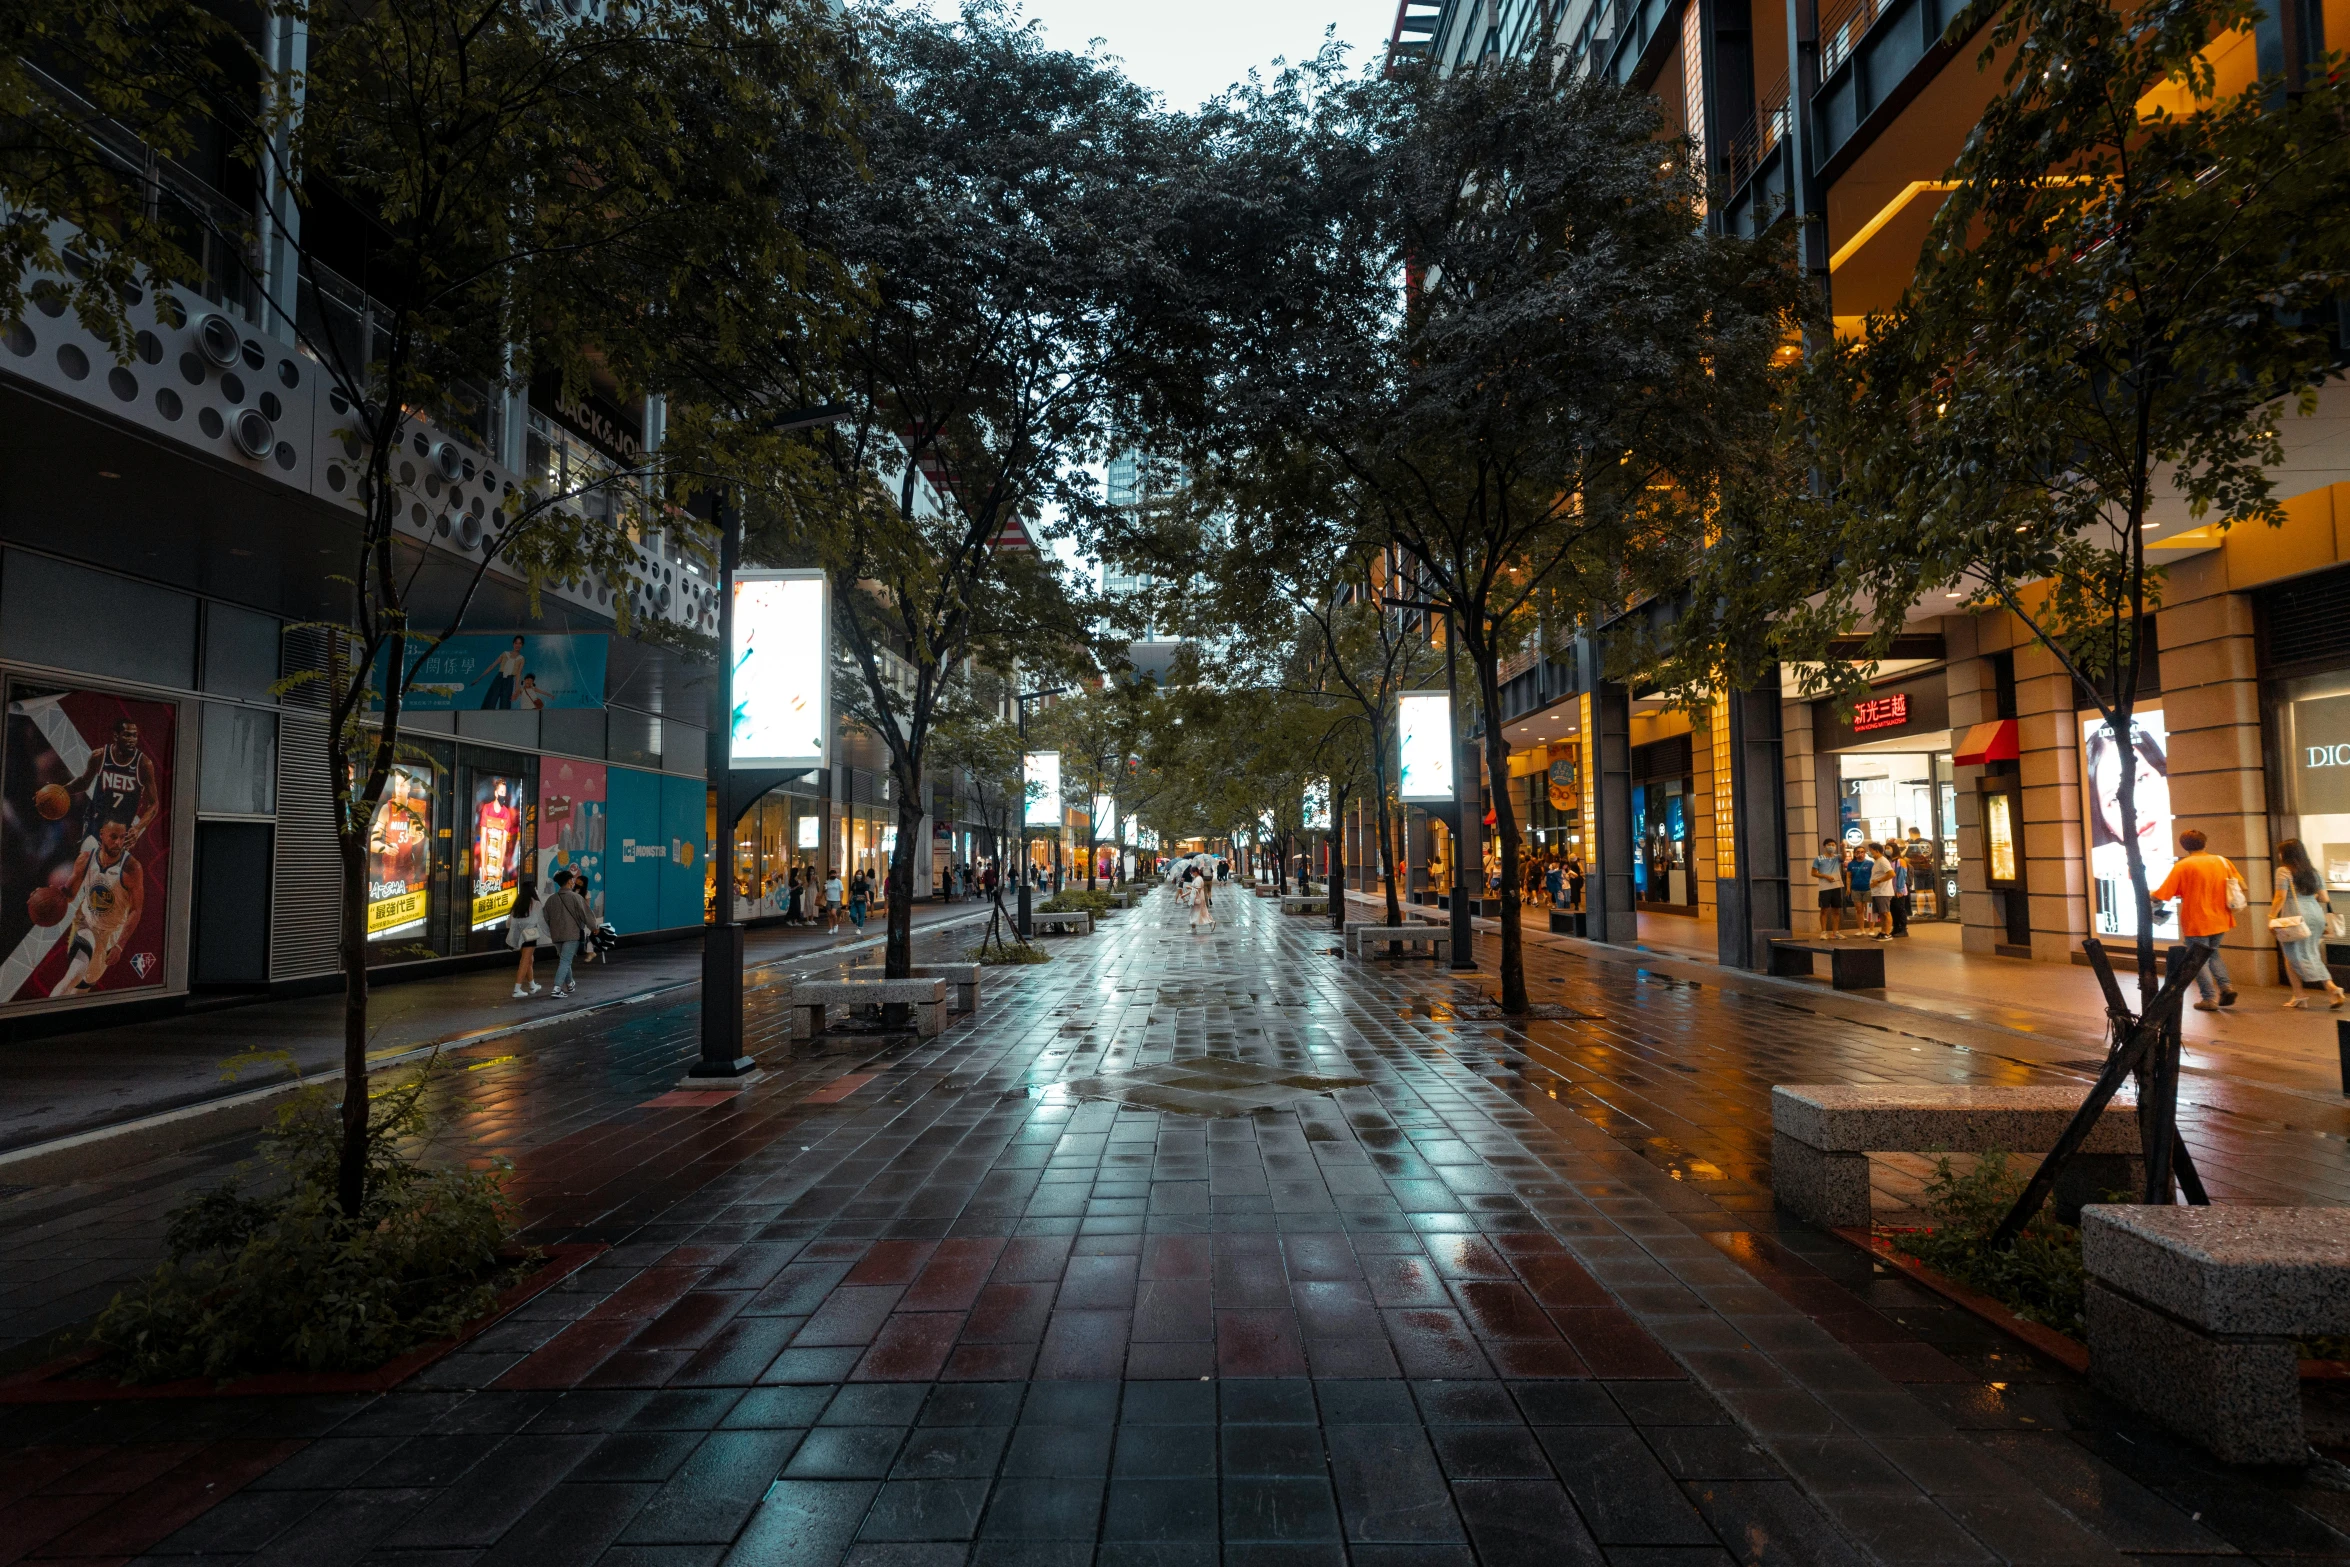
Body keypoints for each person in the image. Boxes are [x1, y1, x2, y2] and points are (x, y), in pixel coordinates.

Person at [47, 818, 145, 997]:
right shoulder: (86, 858)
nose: (118, 843)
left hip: (110, 934)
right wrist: (53, 896)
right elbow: (69, 894)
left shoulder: (132, 868)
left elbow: (136, 910)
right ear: (102, 835)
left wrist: (119, 946)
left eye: (122, 838)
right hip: (86, 925)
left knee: (80, 991)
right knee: (73, 976)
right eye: (113, 837)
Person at [2152, 829, 2245, 1011]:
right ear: (2205, 843)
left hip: (2197, 919)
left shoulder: (2183, 866)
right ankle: (2226, 988)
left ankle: (2209, 998)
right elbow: (2242, 885)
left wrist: (2150, 894)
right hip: (2221, 917)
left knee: (2197, 959)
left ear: (2183, 846)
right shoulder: (2222, 861)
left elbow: (2163, 894)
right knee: (2213, 953)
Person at [2271, 838, 2344, 1009]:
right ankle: (2300, 995)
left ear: (2285, 854)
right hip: (2315, 914)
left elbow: (2280, 897)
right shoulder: (2314, 872)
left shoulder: (2284, 871)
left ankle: (2328, 988)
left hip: (2294, 917)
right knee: (2308, 953)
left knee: (2292, 955)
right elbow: (2325, 898)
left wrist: (2271, 916)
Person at [539, 867, 592, 997]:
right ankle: (557, 988)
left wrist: (551, 930)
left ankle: (569, 984)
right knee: (565, 961)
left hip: (556, 935)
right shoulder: (576, 897)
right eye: (572, 879)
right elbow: (586, 915)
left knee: (564, 959)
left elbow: (545, 917)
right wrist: (594, 928)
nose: (573, 881)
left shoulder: (551, 899)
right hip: (571, 934)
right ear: (569, 881)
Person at [508, 876, 544, 998]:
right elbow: (540, 919)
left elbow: (510, 921)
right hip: (530, 935)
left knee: (529, 959)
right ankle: (516, 989)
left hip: (518, 935)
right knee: (525, 960)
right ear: (533, 890)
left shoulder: (518, 903)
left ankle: (533, 985)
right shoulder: (536, 903)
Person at [1810, 839, 1847, 937]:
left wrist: (1843, 847)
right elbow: (1813, 873)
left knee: (1836, 910)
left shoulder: (1837, 857)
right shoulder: (1818, 859)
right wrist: (1825, 876)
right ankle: (1823, 932)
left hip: (1836, 886)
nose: (1832, 847)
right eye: (1829, 845)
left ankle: (1835, 932)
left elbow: (1844, 856)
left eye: (1834, 845)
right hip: (1824, 888)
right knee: (1824, 910)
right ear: (1825, 846)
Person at [824, 867, 844, 934]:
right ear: (829, 875)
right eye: (831, 874)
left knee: (833, 913)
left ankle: (835, 925)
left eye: (834, 874)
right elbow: (824, 890)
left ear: (836, 874)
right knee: (829, 915)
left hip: (836, 899)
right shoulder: (827, 881)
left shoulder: (839, 882)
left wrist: (841, 899)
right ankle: (830, 928)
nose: (832, 875)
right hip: (828, 899)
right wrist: (824, 891)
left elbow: (841, 891)